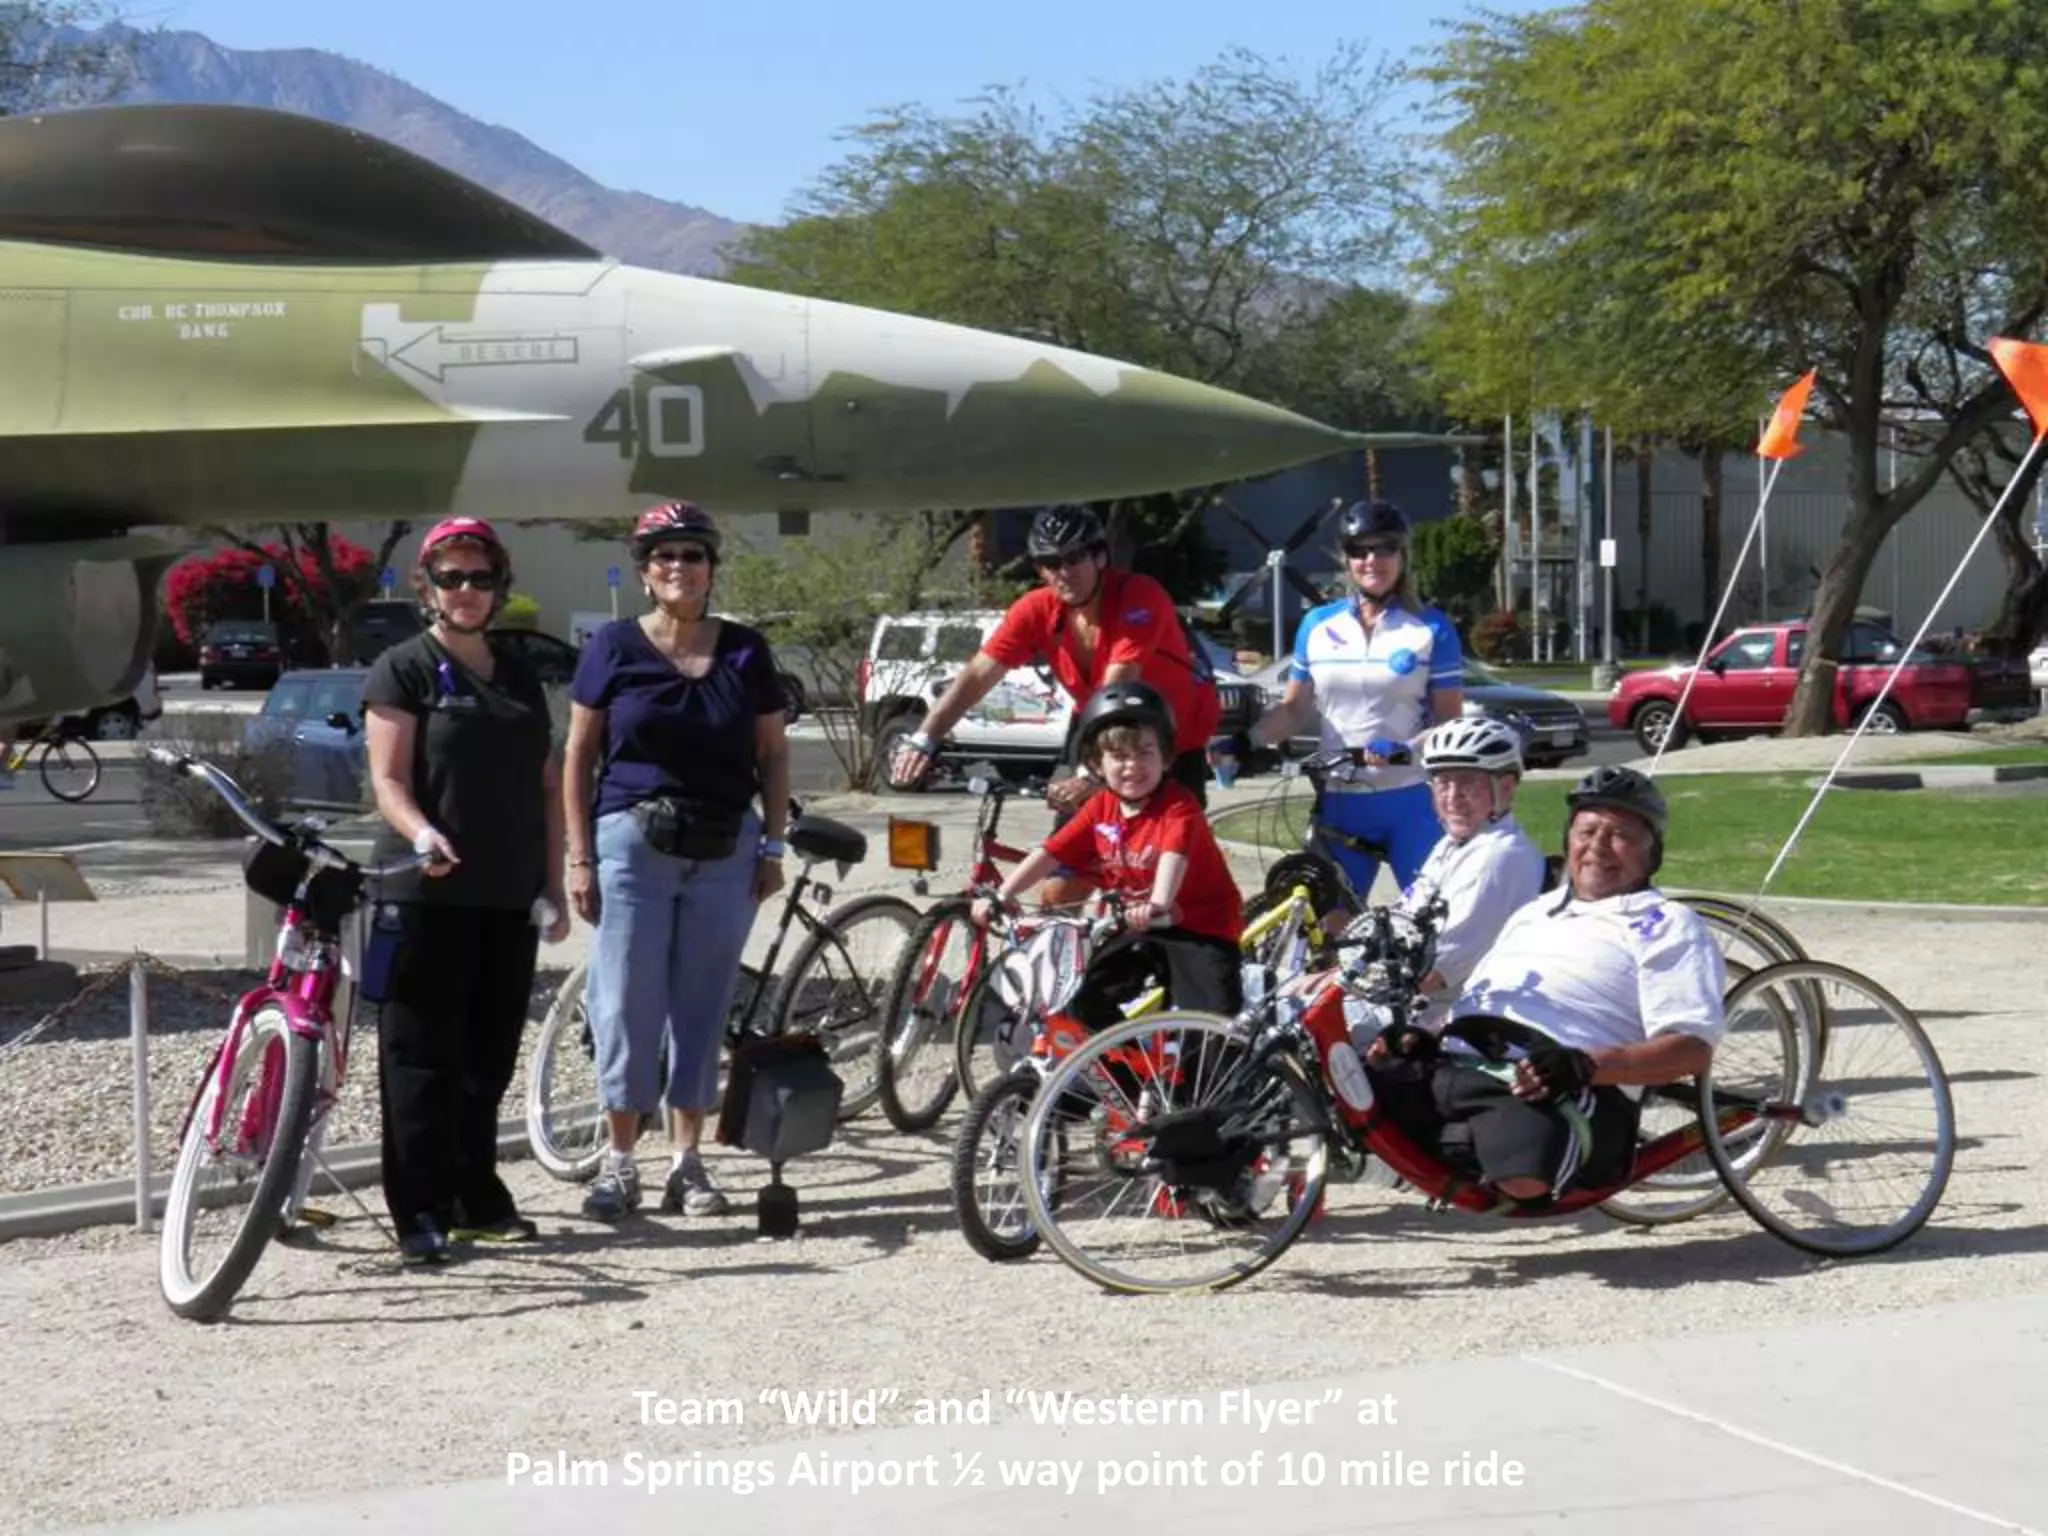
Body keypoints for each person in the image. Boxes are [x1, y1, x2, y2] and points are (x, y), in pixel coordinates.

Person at [562, 502, 791, 1224]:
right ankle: (619, 1162)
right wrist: (578, 856)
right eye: (664, 556)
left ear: (711, 568)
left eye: (692, 555)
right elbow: (577, 755)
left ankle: (686, 1163)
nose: (678, 567)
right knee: (627, 1001)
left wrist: (774, 842)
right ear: (643, 571)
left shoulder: (746, 651)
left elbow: (774, 753)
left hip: (725, 846)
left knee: (702, 1003)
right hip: (633, 840)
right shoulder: (613, 648)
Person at [1367, 766, 1727, 1205]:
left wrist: (1586, 1065)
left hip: (1558, 1083)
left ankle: (1462, 1149)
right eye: (1586, 831)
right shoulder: (1534, 912)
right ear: (1567, 841)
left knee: (1524, 1177)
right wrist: (1426, 1033)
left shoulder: (1667, 924)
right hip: (1462, 1061)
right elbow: (1479, 996)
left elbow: (1691, 1049)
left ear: (1652, 854)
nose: (1597, 847)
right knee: (1349, 1091)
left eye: (1621, 836)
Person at [362, 516, 570, 1265]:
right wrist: (420, 831)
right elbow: (387, 779)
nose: (469, 591)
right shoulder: (404, 667)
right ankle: (418, 1210)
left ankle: (475, 1196)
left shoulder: (514, 672)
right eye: (453, 577)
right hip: (425, 894)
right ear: (428, 586)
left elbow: (547, 785)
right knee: (421, 1059)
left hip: (506, 895)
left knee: (488, 1058)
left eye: (481, 578)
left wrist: (555, 882)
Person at [889, 504, 1223, 810]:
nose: (1063, 572)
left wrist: (1091, 773)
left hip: (1169, 740)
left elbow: (1118, 684)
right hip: (1096, 725)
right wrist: (924, 738)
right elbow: (979, 675)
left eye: (1074, 558)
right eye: (1050, 563)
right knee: (1066, 855)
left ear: (1099, 558)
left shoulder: (1139, 596)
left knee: (1167, 855)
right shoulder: (1035, 610)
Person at [970, 682, 1243, 1029]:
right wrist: (1002, 894)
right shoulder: (1100, 807)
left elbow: (1174, 855)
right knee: (1076, 999)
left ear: (1166, 758)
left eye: (1145, 752)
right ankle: (1125, 1082)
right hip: (1137, 926)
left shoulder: (1179, 807)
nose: (1132, 766)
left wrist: (1157, 902)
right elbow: (1050, 853)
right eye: (1119, 756)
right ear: (1097, 764)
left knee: (1209, 1033)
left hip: (1201, 930)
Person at [1241, 500, 1463, 896]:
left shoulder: (1431, 628)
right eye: (1359, 550)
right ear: (1346, 559)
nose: (1371, 559)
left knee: (1432, 926)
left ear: (1403, 555)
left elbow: (1449, 722)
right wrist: (1246, 741)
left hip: (1410, 798)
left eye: (1384, 548)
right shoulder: (1318, 625)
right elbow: (1293, 709)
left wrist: (1405, 748)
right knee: (1326, 928)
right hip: (1340, 801)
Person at [1392, 716, 1548, 1031]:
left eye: (1467, 782)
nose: (1452, 796)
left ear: (1504, 788)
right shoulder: (1455, 844)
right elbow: (1404, 914)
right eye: (1442, 782)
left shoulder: (1500, 857)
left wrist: (1342, 986)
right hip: (1414, 1000)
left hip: (1447, 1017)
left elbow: (1430, 974)